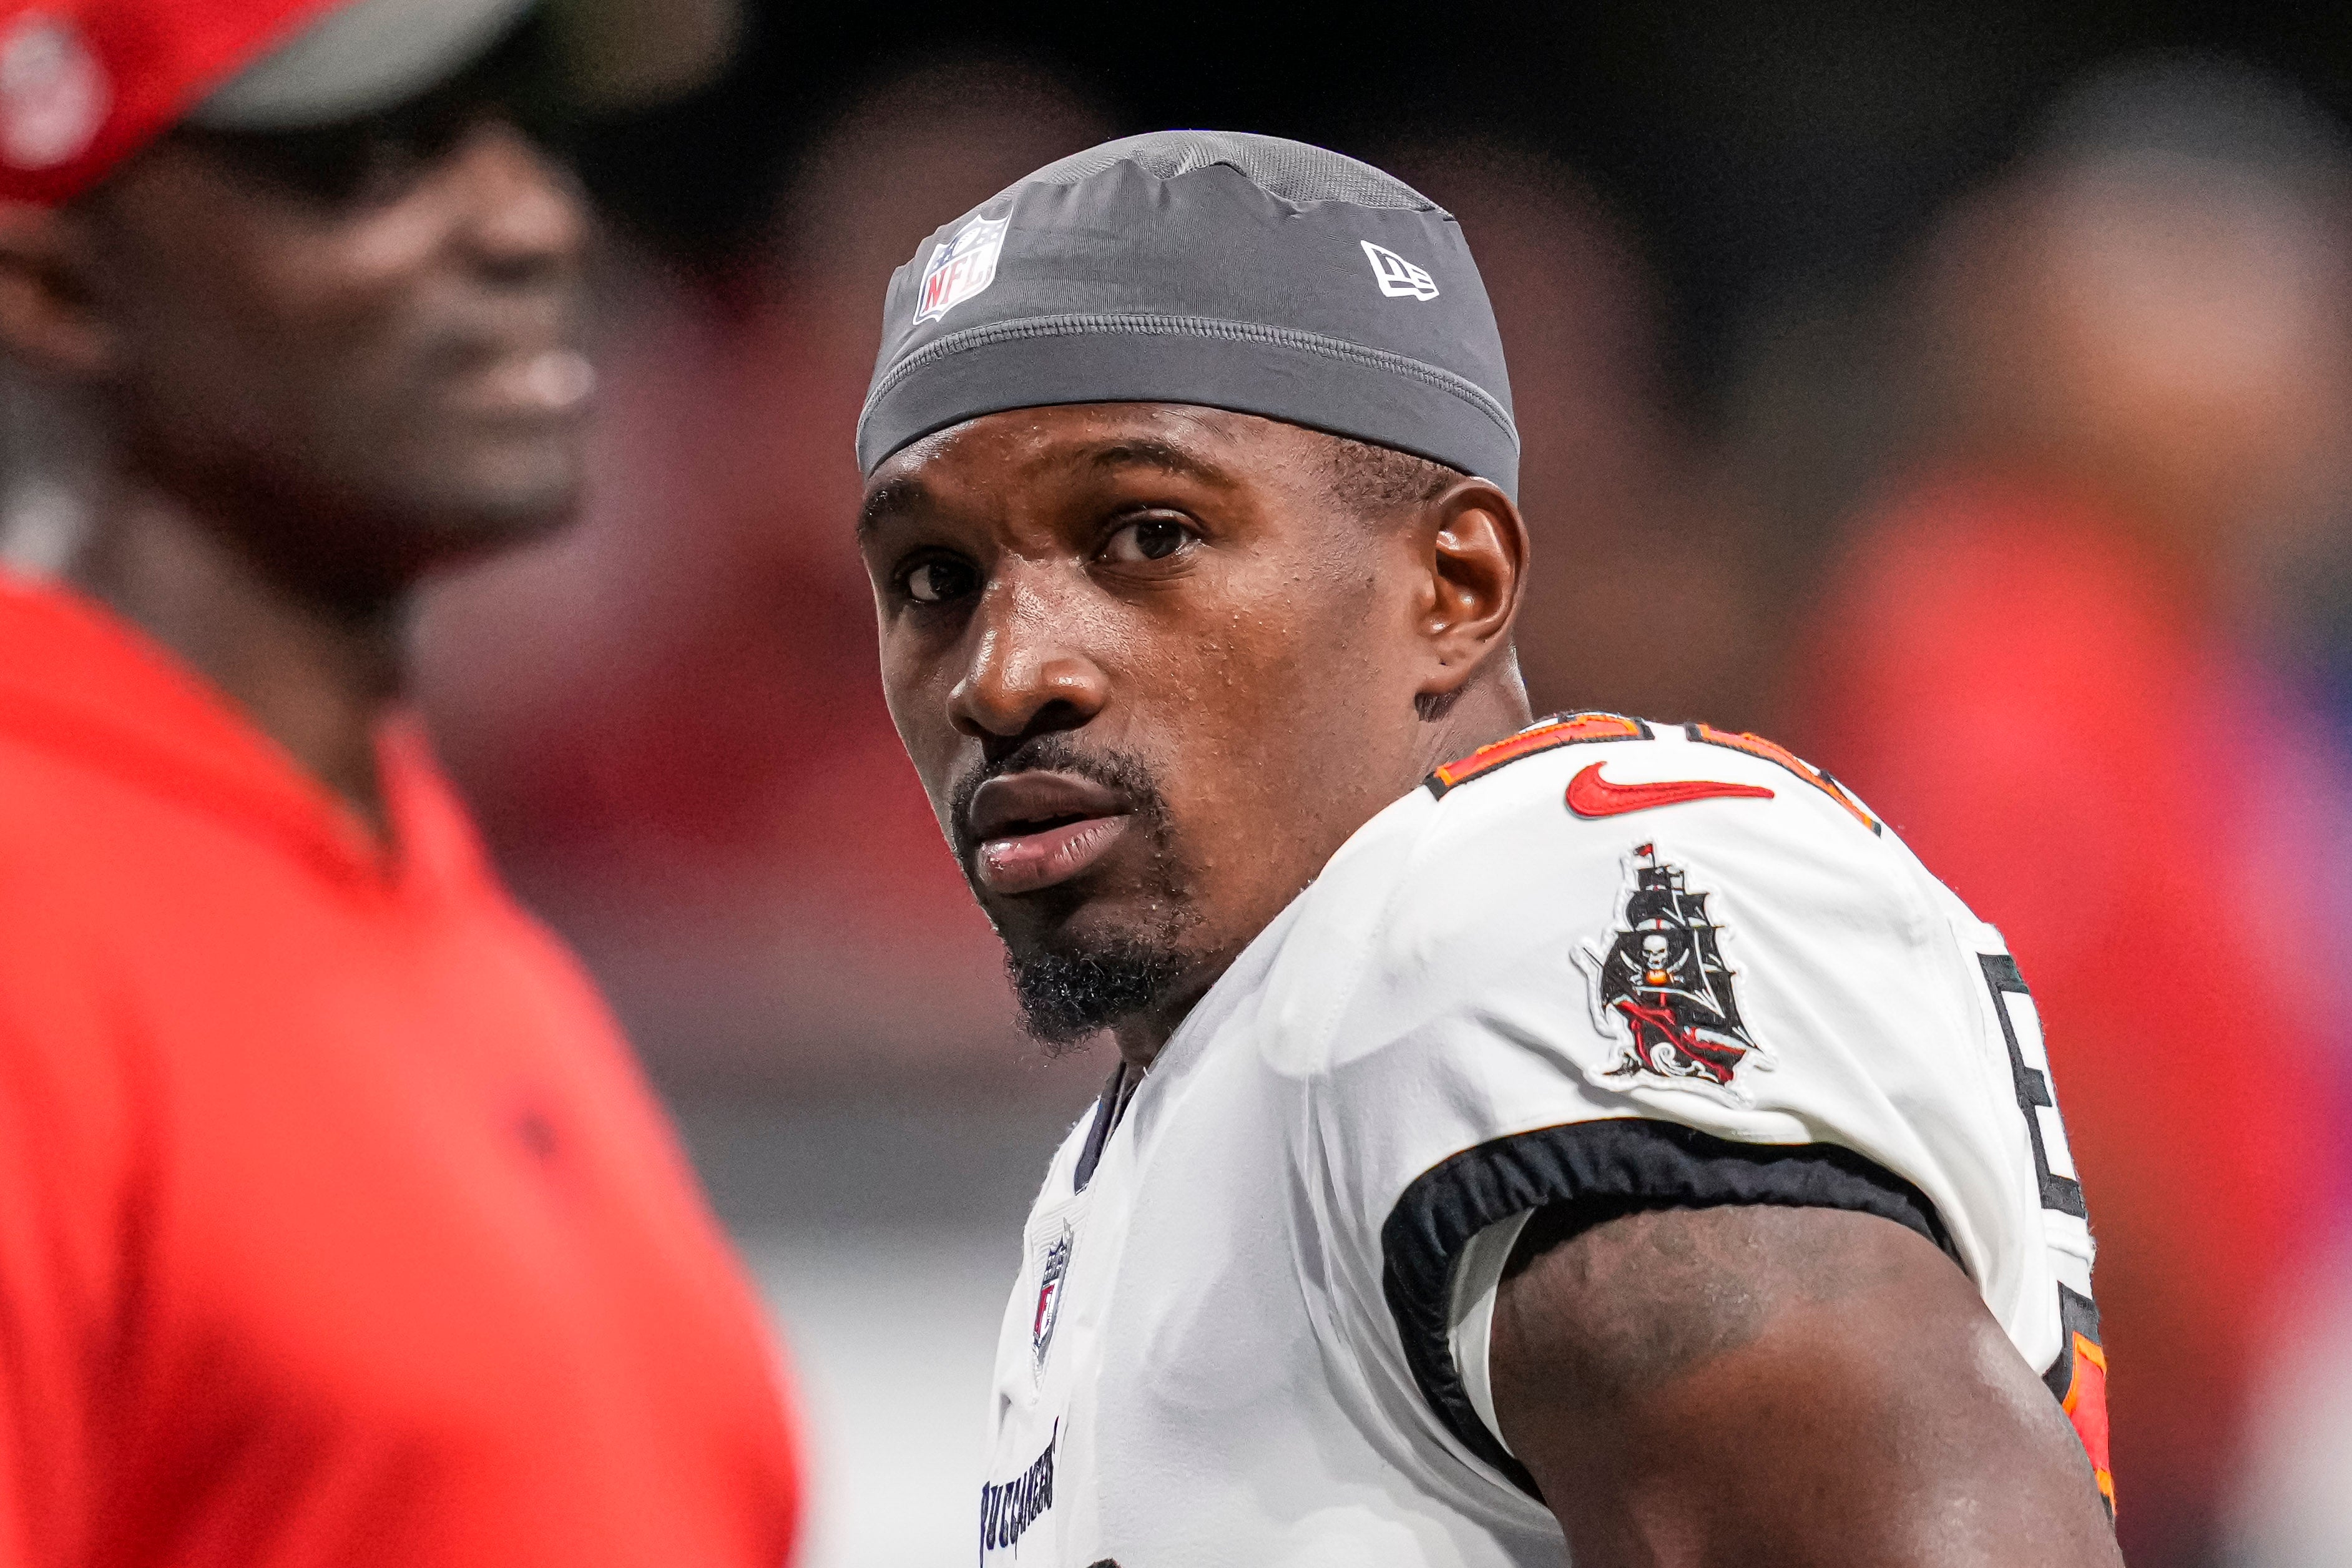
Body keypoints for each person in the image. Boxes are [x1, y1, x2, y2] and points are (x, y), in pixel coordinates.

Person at [851, 130, 2119, 1566]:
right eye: (935, 578)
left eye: (1147, 534)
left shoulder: (1510, 913)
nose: (1004, 673)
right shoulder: (1201, 1095)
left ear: (1456, 584)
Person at [0, 3, 798, 1566]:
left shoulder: (440, 909)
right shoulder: (31, 905)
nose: (526, 218)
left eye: (525, 133)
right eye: (374, 160)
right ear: (48, 285)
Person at [1778, 59, 2352, 1566]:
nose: (2303, 384)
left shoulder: (2206, 649)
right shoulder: (1990, 623)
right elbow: (2042, 1079)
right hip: (2115, 1459)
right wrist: (2217, 1429)